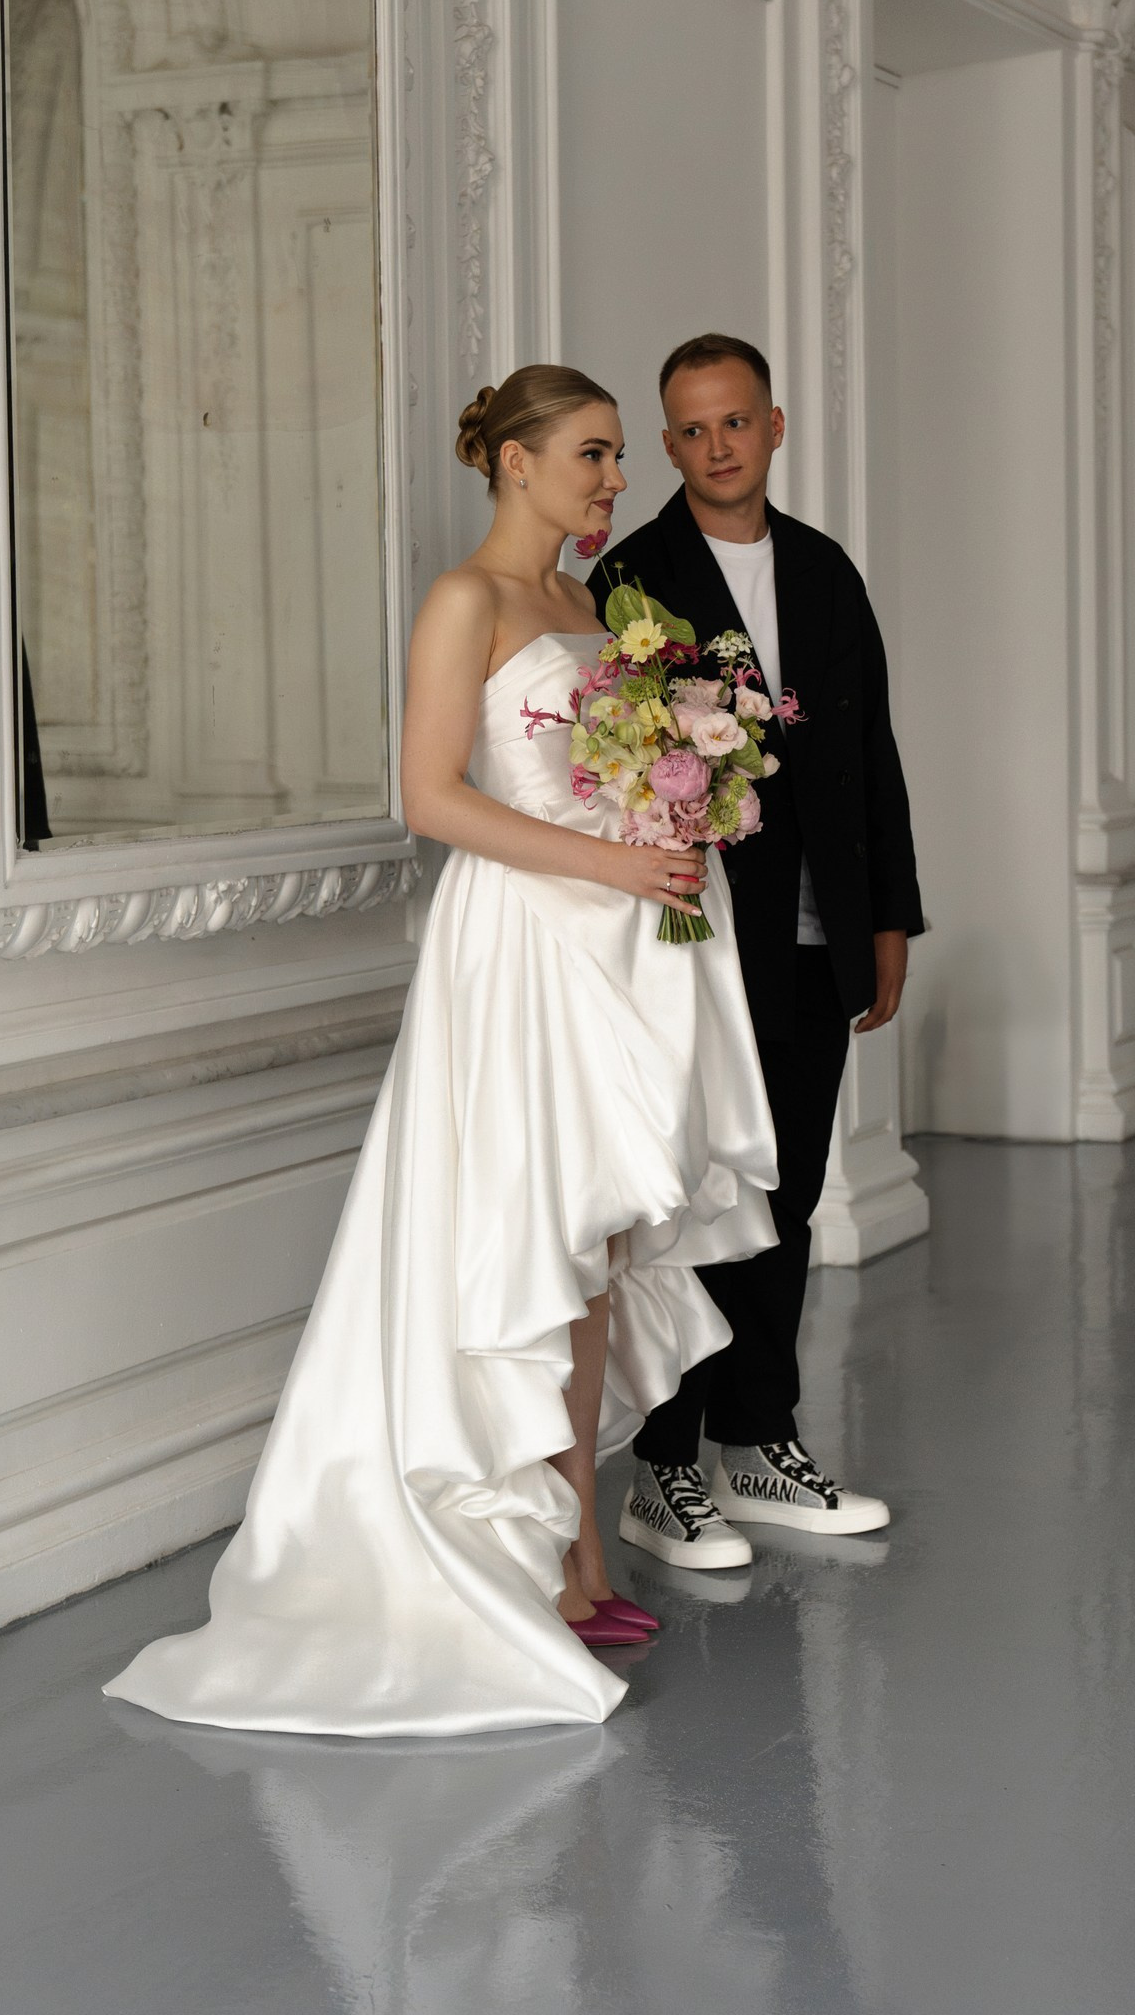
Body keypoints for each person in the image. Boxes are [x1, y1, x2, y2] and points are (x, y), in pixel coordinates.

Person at [104, 366, 779, 1735]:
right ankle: (541, 1559)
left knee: (593, 1247)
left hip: (616, 953)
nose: (614, 480)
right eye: (592, 455)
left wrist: (676, 814)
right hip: (521, 948)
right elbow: (428, 796)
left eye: (615, 457)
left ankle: (579, 1553)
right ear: (516, 463)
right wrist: (611, 857)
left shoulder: (593, 607)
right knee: (532, 1234)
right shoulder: (465, 600)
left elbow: (613, 773)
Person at [589, 333, 923, 1569]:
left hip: (816, 932)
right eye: (691, 428)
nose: (716, 445)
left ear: (774, 427)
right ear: (667, 443)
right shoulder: (633, 577)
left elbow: (872, 754)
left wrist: (888, 918)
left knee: (785, 1195)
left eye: (735, 421)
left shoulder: (827, 570)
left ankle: (759, 1439)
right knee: (691, 1201)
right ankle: (664, 1466)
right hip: (694, 942)